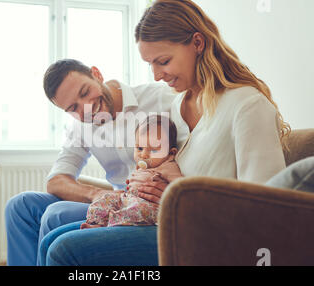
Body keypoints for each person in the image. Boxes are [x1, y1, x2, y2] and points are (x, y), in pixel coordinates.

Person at [39, 0, 293, 266]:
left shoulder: (246, 106)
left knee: (63, 249)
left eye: (163, 61)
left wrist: (180, 200)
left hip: (207, 236)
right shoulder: (178, 104)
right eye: (150, 64)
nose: (157, 75)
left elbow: (266, 211)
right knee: (50, 241)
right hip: (166, 220)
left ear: (198, 43)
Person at [4, 58, 188, 265]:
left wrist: (173, 190)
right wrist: (97, 194)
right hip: (114, 200)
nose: (87, 108)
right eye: (73, 107)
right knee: (20, 205)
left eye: (84, 92)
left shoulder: (161, 98)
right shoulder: (80, 126)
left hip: (145, 207)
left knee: (55, 213)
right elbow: (56, 180)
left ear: (97, 74)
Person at [81, 115, 182, 229]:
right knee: (106, 199)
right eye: (139, 148)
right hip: (128, 201)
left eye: (154, 149)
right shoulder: (142, 166)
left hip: (149, 208)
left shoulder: (167, 165)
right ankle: (97, 222)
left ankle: (107, 224)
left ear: (171, 153)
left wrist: (169, 196)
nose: (143, 155)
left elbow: (182, 187)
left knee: (135, 210)